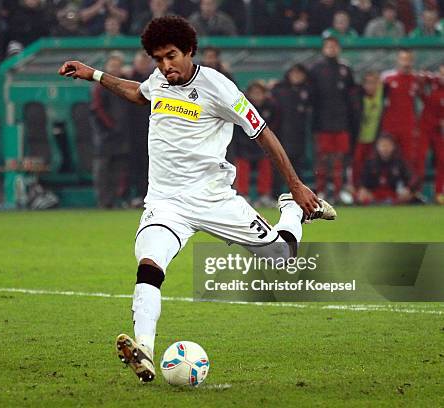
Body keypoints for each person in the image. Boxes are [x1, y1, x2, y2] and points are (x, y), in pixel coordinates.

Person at [58, 15, 336, 383]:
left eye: (171, 56)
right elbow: (138, 94)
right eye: (158, 59)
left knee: (282, 258)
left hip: (215, 200)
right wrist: (92, 74)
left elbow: (263, 133)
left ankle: (289, 211)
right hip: (166, 203)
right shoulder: (160, 80)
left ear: (189, 50)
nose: (165, 65)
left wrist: (297, 185)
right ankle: (144, 350)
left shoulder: (218, 88)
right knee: (149, 262)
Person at [309, 36, 357, 201]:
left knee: (339, 160)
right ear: (324, 49)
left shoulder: (346, 69)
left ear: (339, 48)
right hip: (322, 124)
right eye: (329, 46)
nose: (332, 49)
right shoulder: (315, 70)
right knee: (322, 160)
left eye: (334, 46)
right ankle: (320, 192)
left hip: (342, 123)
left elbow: (352, 98)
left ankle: (337, 193)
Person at [89, 52, 130, 208]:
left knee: (118, 170)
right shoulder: (100, 86)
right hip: (105, 135)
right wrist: (110, 126)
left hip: (120, 135)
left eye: (118, 66)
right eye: (112, 66)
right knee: (103, 169)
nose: (115, 69)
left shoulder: (124, 85)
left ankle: (115, 200)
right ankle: (104, 201)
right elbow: (97, 109)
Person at [380, 49, 426, 181]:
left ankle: (411, 191)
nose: (406, 63)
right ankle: (388, 189)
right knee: (387, 157)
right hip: (390, 126)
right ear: (398, 60)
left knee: (409, 159)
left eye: (409, 59)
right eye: (403, 59)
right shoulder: (387, 78)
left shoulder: (417, 80)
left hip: (409, 126)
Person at [233, 81, 278, 207]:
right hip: (244, 143)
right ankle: (243, 195)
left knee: (266, 167)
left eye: (260, 93)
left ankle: (264, 196)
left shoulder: (271, 106)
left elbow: (272, 125)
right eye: (254, 93)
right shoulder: (242, 106)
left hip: (262, 144)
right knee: (242, 168)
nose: (257, 96)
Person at [270, 64, 311, 197]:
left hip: (299, 134)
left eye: (300, 74)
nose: (297, 76)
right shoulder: (279, 90)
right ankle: (275, 195)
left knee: (297, 166)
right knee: (279, 163)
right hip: (281, 133)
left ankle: (299, 195)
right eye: (294, 73)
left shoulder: (307, 91)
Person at [356, 134, 415, 205]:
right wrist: (363, 190)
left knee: (408, 195)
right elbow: (363, 182)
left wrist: (407, 190)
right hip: (374, 194)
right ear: (377, 147)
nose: (385, 149)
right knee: (361, 195)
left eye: (388, 145)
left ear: (393, 147)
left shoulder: (400, 163)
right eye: (383, 146)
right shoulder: (370, 164)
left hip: (394, 195)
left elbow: (409, 180)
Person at [126, 50, 151, 207]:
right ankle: (135, 195)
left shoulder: (153, 80)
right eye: (140, 62)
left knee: (150, 165)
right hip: (131, 131)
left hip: (151, 130)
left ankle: (147, 196)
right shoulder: (128, 79)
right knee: (134, 164)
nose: (143, 65)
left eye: (145, 62)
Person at [352, 71, 384, 189]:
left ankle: (372, 190)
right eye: (368, 83)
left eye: (374, 83)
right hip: (359, 139)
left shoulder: (382, 95)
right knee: (357, 165)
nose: (371, 86)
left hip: (375, 139)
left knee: (374, 166)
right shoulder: (358, 98)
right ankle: (356, 190)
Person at [418, 64, 443, 203]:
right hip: (425, 127)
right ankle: (417, 191)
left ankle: (439, 192)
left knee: (442, 160)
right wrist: (423, 77)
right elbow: (420, 78)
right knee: (420, 158)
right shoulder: (433, 82)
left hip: (439, 131)